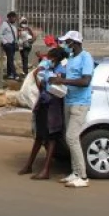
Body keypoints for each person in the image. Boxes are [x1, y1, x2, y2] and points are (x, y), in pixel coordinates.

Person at [50, 30, 95, 189]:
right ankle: (75, 172)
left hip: (80, 103)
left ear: (75, 43)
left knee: (72, 138)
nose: (65, 45)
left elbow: (85, 81)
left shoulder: (86, 57)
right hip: (69, 100)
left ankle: (82, 176)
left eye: (67, 42)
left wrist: (64, 80)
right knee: (69, 138)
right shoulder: (70, 58)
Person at [19, 47, 68, 179]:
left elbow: (57, 89)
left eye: (51, 58)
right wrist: (37, 75)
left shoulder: (61, 71)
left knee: (51, 138)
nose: (49, 60)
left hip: (53, 106)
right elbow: (41, 87)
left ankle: (45, 170)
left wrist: (46, 78)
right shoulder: (49, 69)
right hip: (44, 104)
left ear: (56, 59)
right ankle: (29, 165)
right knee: (40, 136)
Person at [0, 11, 20, 80]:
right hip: (8, 45)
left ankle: (9, 74)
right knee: (11, 59)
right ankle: (15, 74)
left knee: (10, 59)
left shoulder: (13, 26)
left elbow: (14, 36)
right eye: (14, 18)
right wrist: (5, 43)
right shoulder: (4, 24)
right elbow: (0, 34)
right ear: (10, 17)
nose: (15, 19)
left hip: (13, 44)